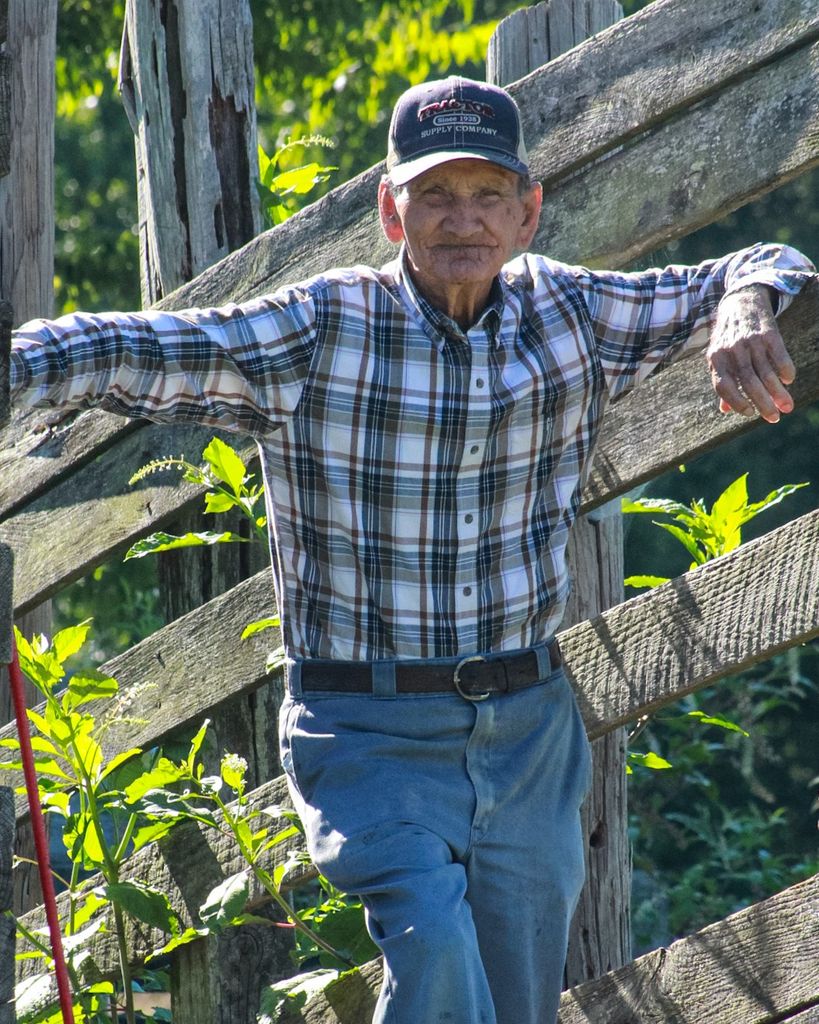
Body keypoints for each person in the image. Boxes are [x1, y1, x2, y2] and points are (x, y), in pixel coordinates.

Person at [8, 76, 815, 1023]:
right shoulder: (317, 330)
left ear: (527, 212)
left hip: (526, 729)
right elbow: (135, 346)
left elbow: (764, 257)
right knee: (431, 945)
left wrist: (744, 308)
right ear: (392, 211)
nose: (460, 220)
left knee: (515, 1004)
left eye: (485, 196)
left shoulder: (575, 315)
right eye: (434, 195)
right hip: (369, 729)